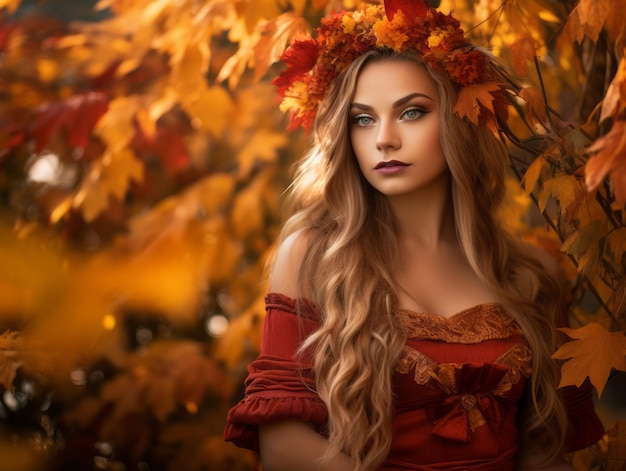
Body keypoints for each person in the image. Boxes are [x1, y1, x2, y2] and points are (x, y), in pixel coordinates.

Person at [224, 2, 604, 470]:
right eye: (363, 119)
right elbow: (281, 447)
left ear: (460, 117)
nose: (384, 138)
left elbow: (546, 452)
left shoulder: (532, 275)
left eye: (411, 113)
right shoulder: (313, 256)